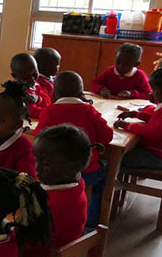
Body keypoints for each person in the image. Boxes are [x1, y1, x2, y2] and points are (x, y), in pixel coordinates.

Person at [17, 125, 96, 257]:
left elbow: (24, 242)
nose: (37, 168)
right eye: (36, 160)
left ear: (73, 166)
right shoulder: (73, 184)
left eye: (45, 164)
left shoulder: (57, 205)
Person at [33, 72, 113, 227]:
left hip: (55, 172)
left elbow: (39, 137)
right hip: (87, 170)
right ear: (82, 94)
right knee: (102, 180)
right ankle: (92, 222)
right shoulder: (89, 110)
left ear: (54, 94)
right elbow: (107, 135)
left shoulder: (50, 111)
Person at [115, 64, 162, 171]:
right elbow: (158, 120)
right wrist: (136, 114)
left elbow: (154, 132)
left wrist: (127, 125)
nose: (151, 93)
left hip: (161, 156)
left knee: (116, 157)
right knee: (123, 153)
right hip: (161, 152)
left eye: (154, 90)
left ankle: (111, 179)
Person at [10, 52, 50, 119]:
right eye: (26, 78)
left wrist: (38, 99)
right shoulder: (17, 91)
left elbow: (48, 100)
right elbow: (32, 113)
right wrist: (49, 113)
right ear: (15, 76)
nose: (32, 79)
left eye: (35, 74)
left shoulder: (36, 85)